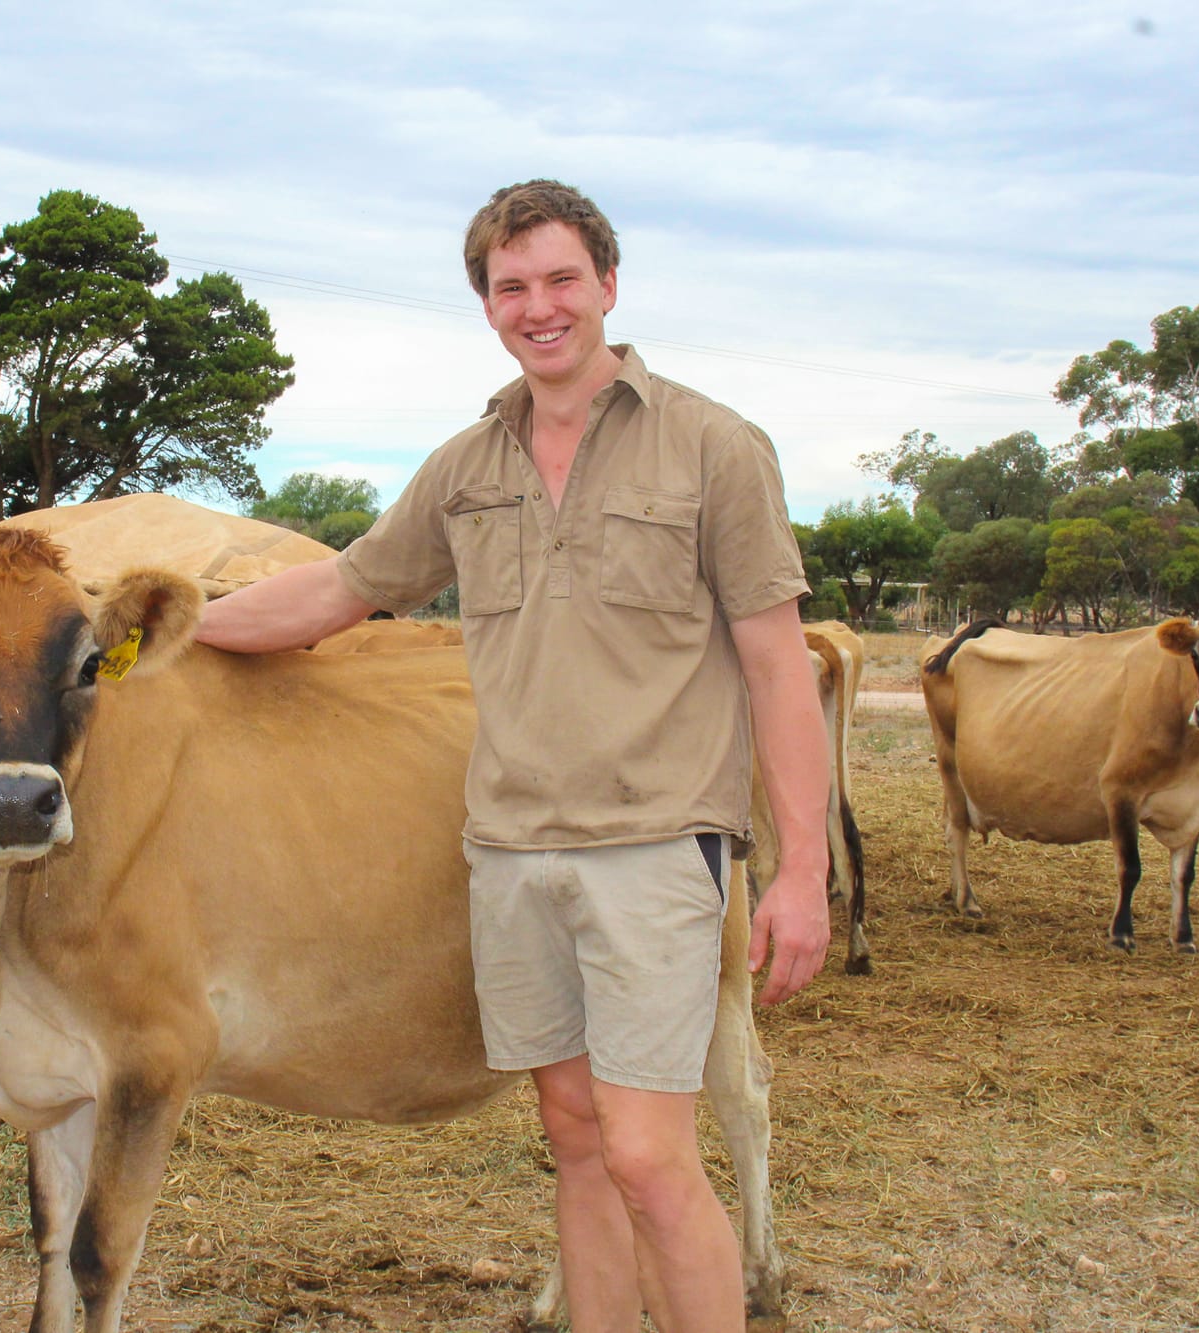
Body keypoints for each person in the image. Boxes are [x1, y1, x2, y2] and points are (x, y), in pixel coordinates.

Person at [196, 179, 830, 1333]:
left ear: (607, 285)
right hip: (509, 851)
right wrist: (172, 626)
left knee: (646, 1154)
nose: (538, 307)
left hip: (651, 848)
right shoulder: (466, 464)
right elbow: (342, 589)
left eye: (559, 281)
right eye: (510, 287)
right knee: (578, 1146)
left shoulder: (711, 446)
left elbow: (779, 667)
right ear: (486, 304)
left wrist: (799, 873)